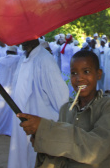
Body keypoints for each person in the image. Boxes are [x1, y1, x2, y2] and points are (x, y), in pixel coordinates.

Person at [17, 50, 110, 167]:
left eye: (86, 71)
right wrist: (41, 138)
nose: (79, 78)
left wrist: (45, 130)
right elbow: (59, 152)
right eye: (74, 73)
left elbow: (96, 149)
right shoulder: (66, 109)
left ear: (98, 74)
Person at [8, 39, 69, 168]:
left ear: (35, 36)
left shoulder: (45, 60)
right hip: (22, 127)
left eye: (26, 35)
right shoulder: (23, 59)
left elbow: (61, 100)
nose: (22, 39)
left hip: (41, 128)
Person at [0, 45, 21, 136]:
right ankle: (10, 131)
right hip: (13, 89)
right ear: (15, 52)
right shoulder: (18, 59)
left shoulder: (0, 60)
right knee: (12, 112)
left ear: (7, 52)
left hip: (1, 88)